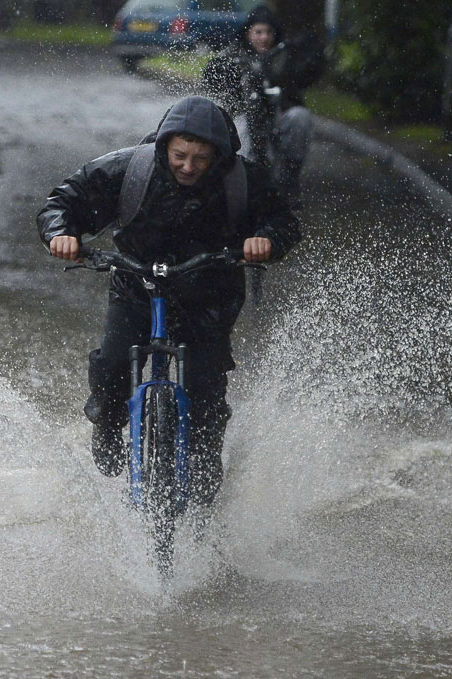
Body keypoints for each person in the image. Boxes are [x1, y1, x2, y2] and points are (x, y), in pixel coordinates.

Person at [37, 96, 301, 507]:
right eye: (180, 155)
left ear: (219, 155)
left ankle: (204, 458)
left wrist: (266, 239)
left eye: (200, 159)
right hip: (136, 284)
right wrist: (62, 234)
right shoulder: (129, 168)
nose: (189, 167)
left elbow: (283, 219)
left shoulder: (244, 180)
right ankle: (106, 422)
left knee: (206, 385)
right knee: (112, 363)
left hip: (210, 293)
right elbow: (62, 202)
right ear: (164, 147)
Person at [201, 5, 326, 207]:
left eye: (268, 32)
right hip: (244, 119)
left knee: (300, 118)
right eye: (258, 32)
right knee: (242, 133)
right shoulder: (235, 55)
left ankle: (288, 181)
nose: (264, 38)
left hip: (279, 117)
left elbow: (307, 73)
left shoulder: (284, 55)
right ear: (248, 33)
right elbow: (212, 76)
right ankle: (242, 185)